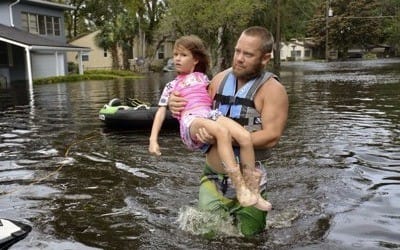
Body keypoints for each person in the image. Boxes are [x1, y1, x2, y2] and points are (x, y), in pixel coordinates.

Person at [168, 26, 289, 237]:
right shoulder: (218, 80)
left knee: (251, 238)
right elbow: (195, 111)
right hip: (213, 176)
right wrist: (173, 104)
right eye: (237, 51)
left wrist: (224, 138)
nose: (239, 58)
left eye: (248, 54)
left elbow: (272, 137)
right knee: (208, 236)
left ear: (265, 58)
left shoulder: (273, 90)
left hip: (250, 180)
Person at [149, 35, 272, 211]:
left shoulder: (204, 79)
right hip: (191, 120)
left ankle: (254, 192)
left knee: (245, 136)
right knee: (222, 132)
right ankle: (239, 187)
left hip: (209, 114)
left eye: (183, 55)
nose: (176, 58)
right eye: (175, 54)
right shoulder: (171, 86)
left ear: (195, 59)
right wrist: (153, 140)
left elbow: (212, 96)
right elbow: (161, 111)